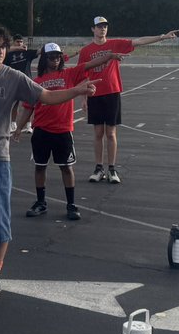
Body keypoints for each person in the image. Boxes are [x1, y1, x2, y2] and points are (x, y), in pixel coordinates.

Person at [0, 24, 98, 303]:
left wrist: (77, 90)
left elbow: (46, 97)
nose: (1, 51)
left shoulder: (14, 78)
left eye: (4, 46)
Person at [14, 42, 118, 221]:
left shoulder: (69, 74)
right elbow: (28, 107)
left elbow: (89, 65)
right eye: (52, 57)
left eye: (58, 56)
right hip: (41, 130)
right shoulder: (36, 82)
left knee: (66, 168)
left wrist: (109, 56)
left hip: (62, 130)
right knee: (40, 167)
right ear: (44, 59)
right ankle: (41, 202)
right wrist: (19, 128)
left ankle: (71, 204)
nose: (55, 60)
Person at [75, 16, 178, 184]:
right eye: (99, 26)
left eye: (105, 26)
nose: (102, 29)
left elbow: (139, 41)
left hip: (112, 93)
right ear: (93, 29)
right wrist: (83, 98)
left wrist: (162, 37)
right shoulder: (86, 51)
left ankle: (112, 169)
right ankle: (98, 168)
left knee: (111, 133)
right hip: (95, 94)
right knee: (98, 133)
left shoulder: (115, 44)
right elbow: (83, 74)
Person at [5, 36, 39, 132]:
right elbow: (4, 49)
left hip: (27, 81)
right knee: (14, 104)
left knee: (28, 104)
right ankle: (13, 124)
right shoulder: (8, 54)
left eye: (21, 42)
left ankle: (28, 125)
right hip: (13, 81)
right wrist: (17, 48)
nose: (19, 43)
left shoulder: (27, 53)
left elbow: (39, 52)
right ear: (13, 42)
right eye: (17, 42)